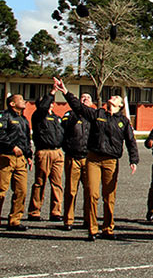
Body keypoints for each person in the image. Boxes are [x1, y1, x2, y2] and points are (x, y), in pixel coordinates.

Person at [59, 79, 139, 241]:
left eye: (117, 98)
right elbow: (78, 107)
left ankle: (108, 228)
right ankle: (92, 228)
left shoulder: (123, 121)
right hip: (93, 159)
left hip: (111, 161)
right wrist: (65, 92)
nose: (114, 97)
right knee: (92, 193)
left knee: (109, 196)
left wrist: (133, 159)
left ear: (120, 106)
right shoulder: (97, 114)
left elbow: (131, 141)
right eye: (113, 96)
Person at [28, 86, 65, 222]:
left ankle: (56, 212)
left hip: (57, 152)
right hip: (44, 152)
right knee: (40, 182)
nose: (51, 103)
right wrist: (52, 92)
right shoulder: (38, 116)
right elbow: (43, 109)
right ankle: (34, 211)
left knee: (57, 183)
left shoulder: (56, 118)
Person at [0, 93, 33, 231]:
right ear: (12, 103)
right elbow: (1, 135)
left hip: (21, 160)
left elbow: (26, 139)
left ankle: (14, 220)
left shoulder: (23, 119)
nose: (24, 101)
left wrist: (29, 155)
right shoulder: (5, 116)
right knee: (1, 191)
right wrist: (11, 146)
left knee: (21, 191)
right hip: (6, 157)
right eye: (20, 99)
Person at [61, 92, 92, 231]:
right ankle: (68, 220)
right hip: (72, 157)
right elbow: (62, 131)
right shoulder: (70, 115)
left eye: (88, 98)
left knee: (90, 191)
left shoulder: (94, 116)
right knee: (71, 191)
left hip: (89, 158)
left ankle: (88, 219)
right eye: (83, 98)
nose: (85, 100)